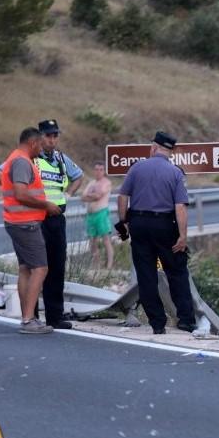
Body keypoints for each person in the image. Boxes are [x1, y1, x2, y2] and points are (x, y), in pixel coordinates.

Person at [0, 119, 83, 329]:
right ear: (38, 138)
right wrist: (18, 197)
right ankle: (30, 316)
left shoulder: (60, 158)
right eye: (48, 136)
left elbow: (78, 177)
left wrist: (68, 194)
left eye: (55, 136)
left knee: (56, 267)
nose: (52, 140)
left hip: (55, 217)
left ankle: (54, 315)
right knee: (35, 267)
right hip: (34, 217)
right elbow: (1, 174)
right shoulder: (27, 158)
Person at [116, 131, 196, 334]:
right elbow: (180, 207)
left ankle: (157, 323)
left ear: (153, 147)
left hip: (139, 225)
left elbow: (123, 196)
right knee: (177, 272)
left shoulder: (136, 169)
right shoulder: (175, 173)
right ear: (172, 151)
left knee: (146, 274)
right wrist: (182, 236)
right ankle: (186, 320)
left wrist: (124, 221)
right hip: (165, 226)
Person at [0, 127, 62, 334]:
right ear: (33, 143)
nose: (41, 150)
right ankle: (28, 319)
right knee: (40, 268)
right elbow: (21, 194)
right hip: (25, 223)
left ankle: (28, 317)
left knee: (26, 268)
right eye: (40, 146)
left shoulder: (18, 159)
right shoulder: (21, 161)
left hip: (18, 221)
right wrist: (46, 206)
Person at [81, 162, 114, 269]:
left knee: (106, 239)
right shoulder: (91, 183)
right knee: (92, 240)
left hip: (102, 213)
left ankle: (109, 265)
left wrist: (90, 196)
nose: (98, 172)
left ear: (104, 171)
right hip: (91, 215)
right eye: (96, 169)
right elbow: (83, 197)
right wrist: (92, 196)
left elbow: (99, 196)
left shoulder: (106, 182)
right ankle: (96, 265)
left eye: (101, 169)